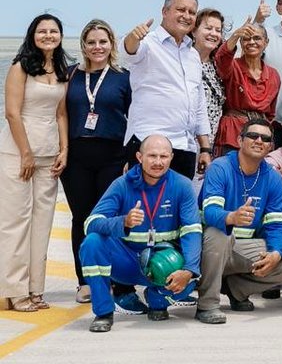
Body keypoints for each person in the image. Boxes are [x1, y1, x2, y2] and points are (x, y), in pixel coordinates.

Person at [78, 135, 201, 332]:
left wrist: (188, 270)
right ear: (139, 157)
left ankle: (157, 300)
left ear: (171, 157)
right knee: (92, 243)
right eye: (152, 156)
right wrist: (123, 222)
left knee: (193, 274)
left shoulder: (183, 186)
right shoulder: (122, 184)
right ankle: (103, 312)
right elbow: (90, 224)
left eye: (163, 156)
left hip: (165, 262)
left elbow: (192, 231)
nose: (158, 162)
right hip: (127, 263)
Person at [196, 119, 282, 324]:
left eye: (266, 138)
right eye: (253, 136)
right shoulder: (220, 167)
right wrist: (231, 217)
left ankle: (235, 289)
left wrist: (276, 253)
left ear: (271, 146)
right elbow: (209, 212)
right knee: (219, 232)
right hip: (206, 249)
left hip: (240, 249)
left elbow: (276, 224)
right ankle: (207, 305)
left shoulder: (273, 178)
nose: (259, 141)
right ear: (240, 140)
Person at [2, 13, 69, 312]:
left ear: (60, 36)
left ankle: (35, 290)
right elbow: (12, 113)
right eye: (42, 31)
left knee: (42, 223)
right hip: (19, 153)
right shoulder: (20, 68)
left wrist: (64, 149)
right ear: (33, 35)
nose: (48, 36)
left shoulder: (62, 69)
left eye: (53, 31)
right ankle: (14, 291)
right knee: (16, 222)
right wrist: (26, 153)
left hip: (49, 153)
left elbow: (61, 114)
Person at [61, 19, 132, 304]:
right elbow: (60, 114)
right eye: (91, 42)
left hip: (112, 157)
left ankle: (114, 277)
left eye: (103, 42)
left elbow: (134, 119)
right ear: (83, 46)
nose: (97, 47)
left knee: (109, 219)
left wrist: (131, 157)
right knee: (82, 218)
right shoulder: (70, 75)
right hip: (77, 157)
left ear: (111, 44)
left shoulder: (123, 77)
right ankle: (85, 281)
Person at [123, 0, 212, 178]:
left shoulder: (193, 54)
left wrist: (205, 147)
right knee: (144, 205)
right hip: (149, 145)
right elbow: (129, 51)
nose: (186, 16)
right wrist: (133, 37)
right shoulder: (148, 42)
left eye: (191, 12)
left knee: (178, 206)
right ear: (164, 11)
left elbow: (198, 103)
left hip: (184, 147)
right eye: (181, 10)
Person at [213, 18, 281, 154]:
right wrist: (236, 34)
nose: (251, 42)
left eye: (257, 38)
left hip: (260, 135)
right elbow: (221, 58)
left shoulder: (273, 75)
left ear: (266, 42)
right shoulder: (233, 66)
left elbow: (270, 114)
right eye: (246, 38)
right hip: (233, 133)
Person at [193, 9, 226, 152]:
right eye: (208, 28)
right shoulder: (182, 60)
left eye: (218, 30)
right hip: (186, 141)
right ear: (193, 31)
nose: (213, 33)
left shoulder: (219, 66)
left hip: (213, 143)